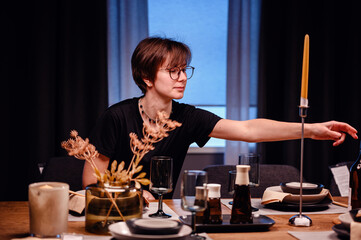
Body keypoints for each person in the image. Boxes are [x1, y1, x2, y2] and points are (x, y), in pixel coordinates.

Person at [83, 37, 358, 200]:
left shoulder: (187, 117)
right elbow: (89, 181)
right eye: (172, 71)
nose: (182, 78)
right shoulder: (116, 117)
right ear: (146, 77)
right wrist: (131, 193)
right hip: (115, 214)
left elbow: (250, 129)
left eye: (184, 70)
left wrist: (309, 130)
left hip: (162, 216)